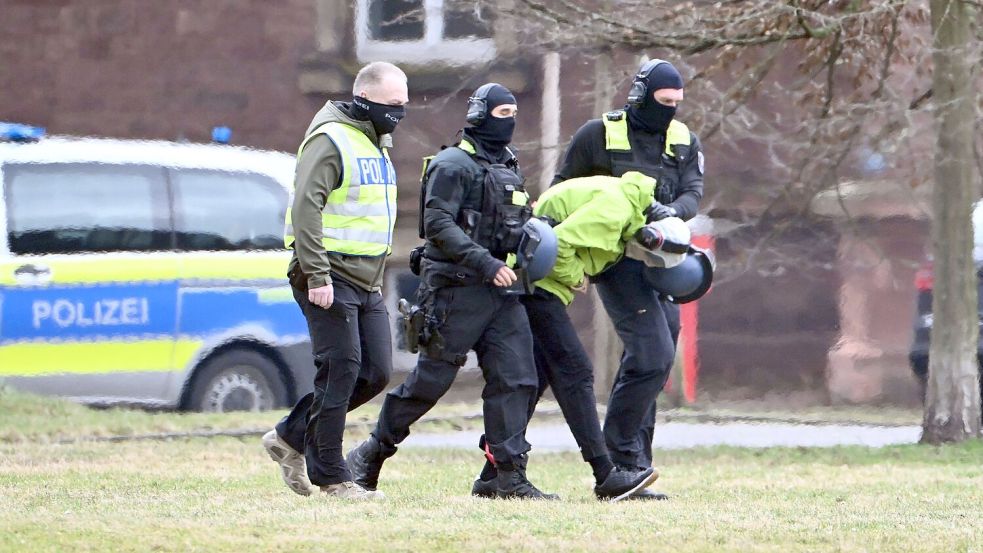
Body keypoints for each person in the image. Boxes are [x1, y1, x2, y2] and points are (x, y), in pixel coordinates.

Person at [346, 83, 557, 500]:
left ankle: (506, 477)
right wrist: (485, 262)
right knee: (430, 382)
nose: (510, 121)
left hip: (502, 292)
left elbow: (514, 224)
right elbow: (439, 225)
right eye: (501, 113)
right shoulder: (451, 164)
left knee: (517, 379)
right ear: (478, 115)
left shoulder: (509, 164)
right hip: (455, 291)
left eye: (514, 113)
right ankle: (370, 454)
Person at [470, 171, 688, 502]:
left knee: (534, 379)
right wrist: (576, 277)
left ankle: (494, 474)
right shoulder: (615, 210)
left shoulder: (628, 208)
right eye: (648, 257)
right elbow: (558, 245)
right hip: (536, 283)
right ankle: (606, 474)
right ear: (649, 236)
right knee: (575, 372)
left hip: (538, 282)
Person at [552, 59, 705, 500]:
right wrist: (570, 257)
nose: (669, 111)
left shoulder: (684, 140)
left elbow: (693, 192)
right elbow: (560, 194)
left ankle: (637, 465)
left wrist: (670, 214)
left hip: (663, 261)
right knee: (652, 354)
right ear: (640, 96)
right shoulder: (597, 135)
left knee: (654, 359)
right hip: (614, 260)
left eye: (676, 103)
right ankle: (619, 456)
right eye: (663, 101)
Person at [261, 61, 409, 501]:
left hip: (367, 279)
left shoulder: (375, 141)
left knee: (375, 372)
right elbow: (306, 208)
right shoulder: (331, 139)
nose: (399, 113)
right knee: (341, 368)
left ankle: (289, 436)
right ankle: (333, 477)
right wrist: (317, 275)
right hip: (328, 272)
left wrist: (377, 277)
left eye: (404, 104)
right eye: (392, 104)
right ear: (364, 99)